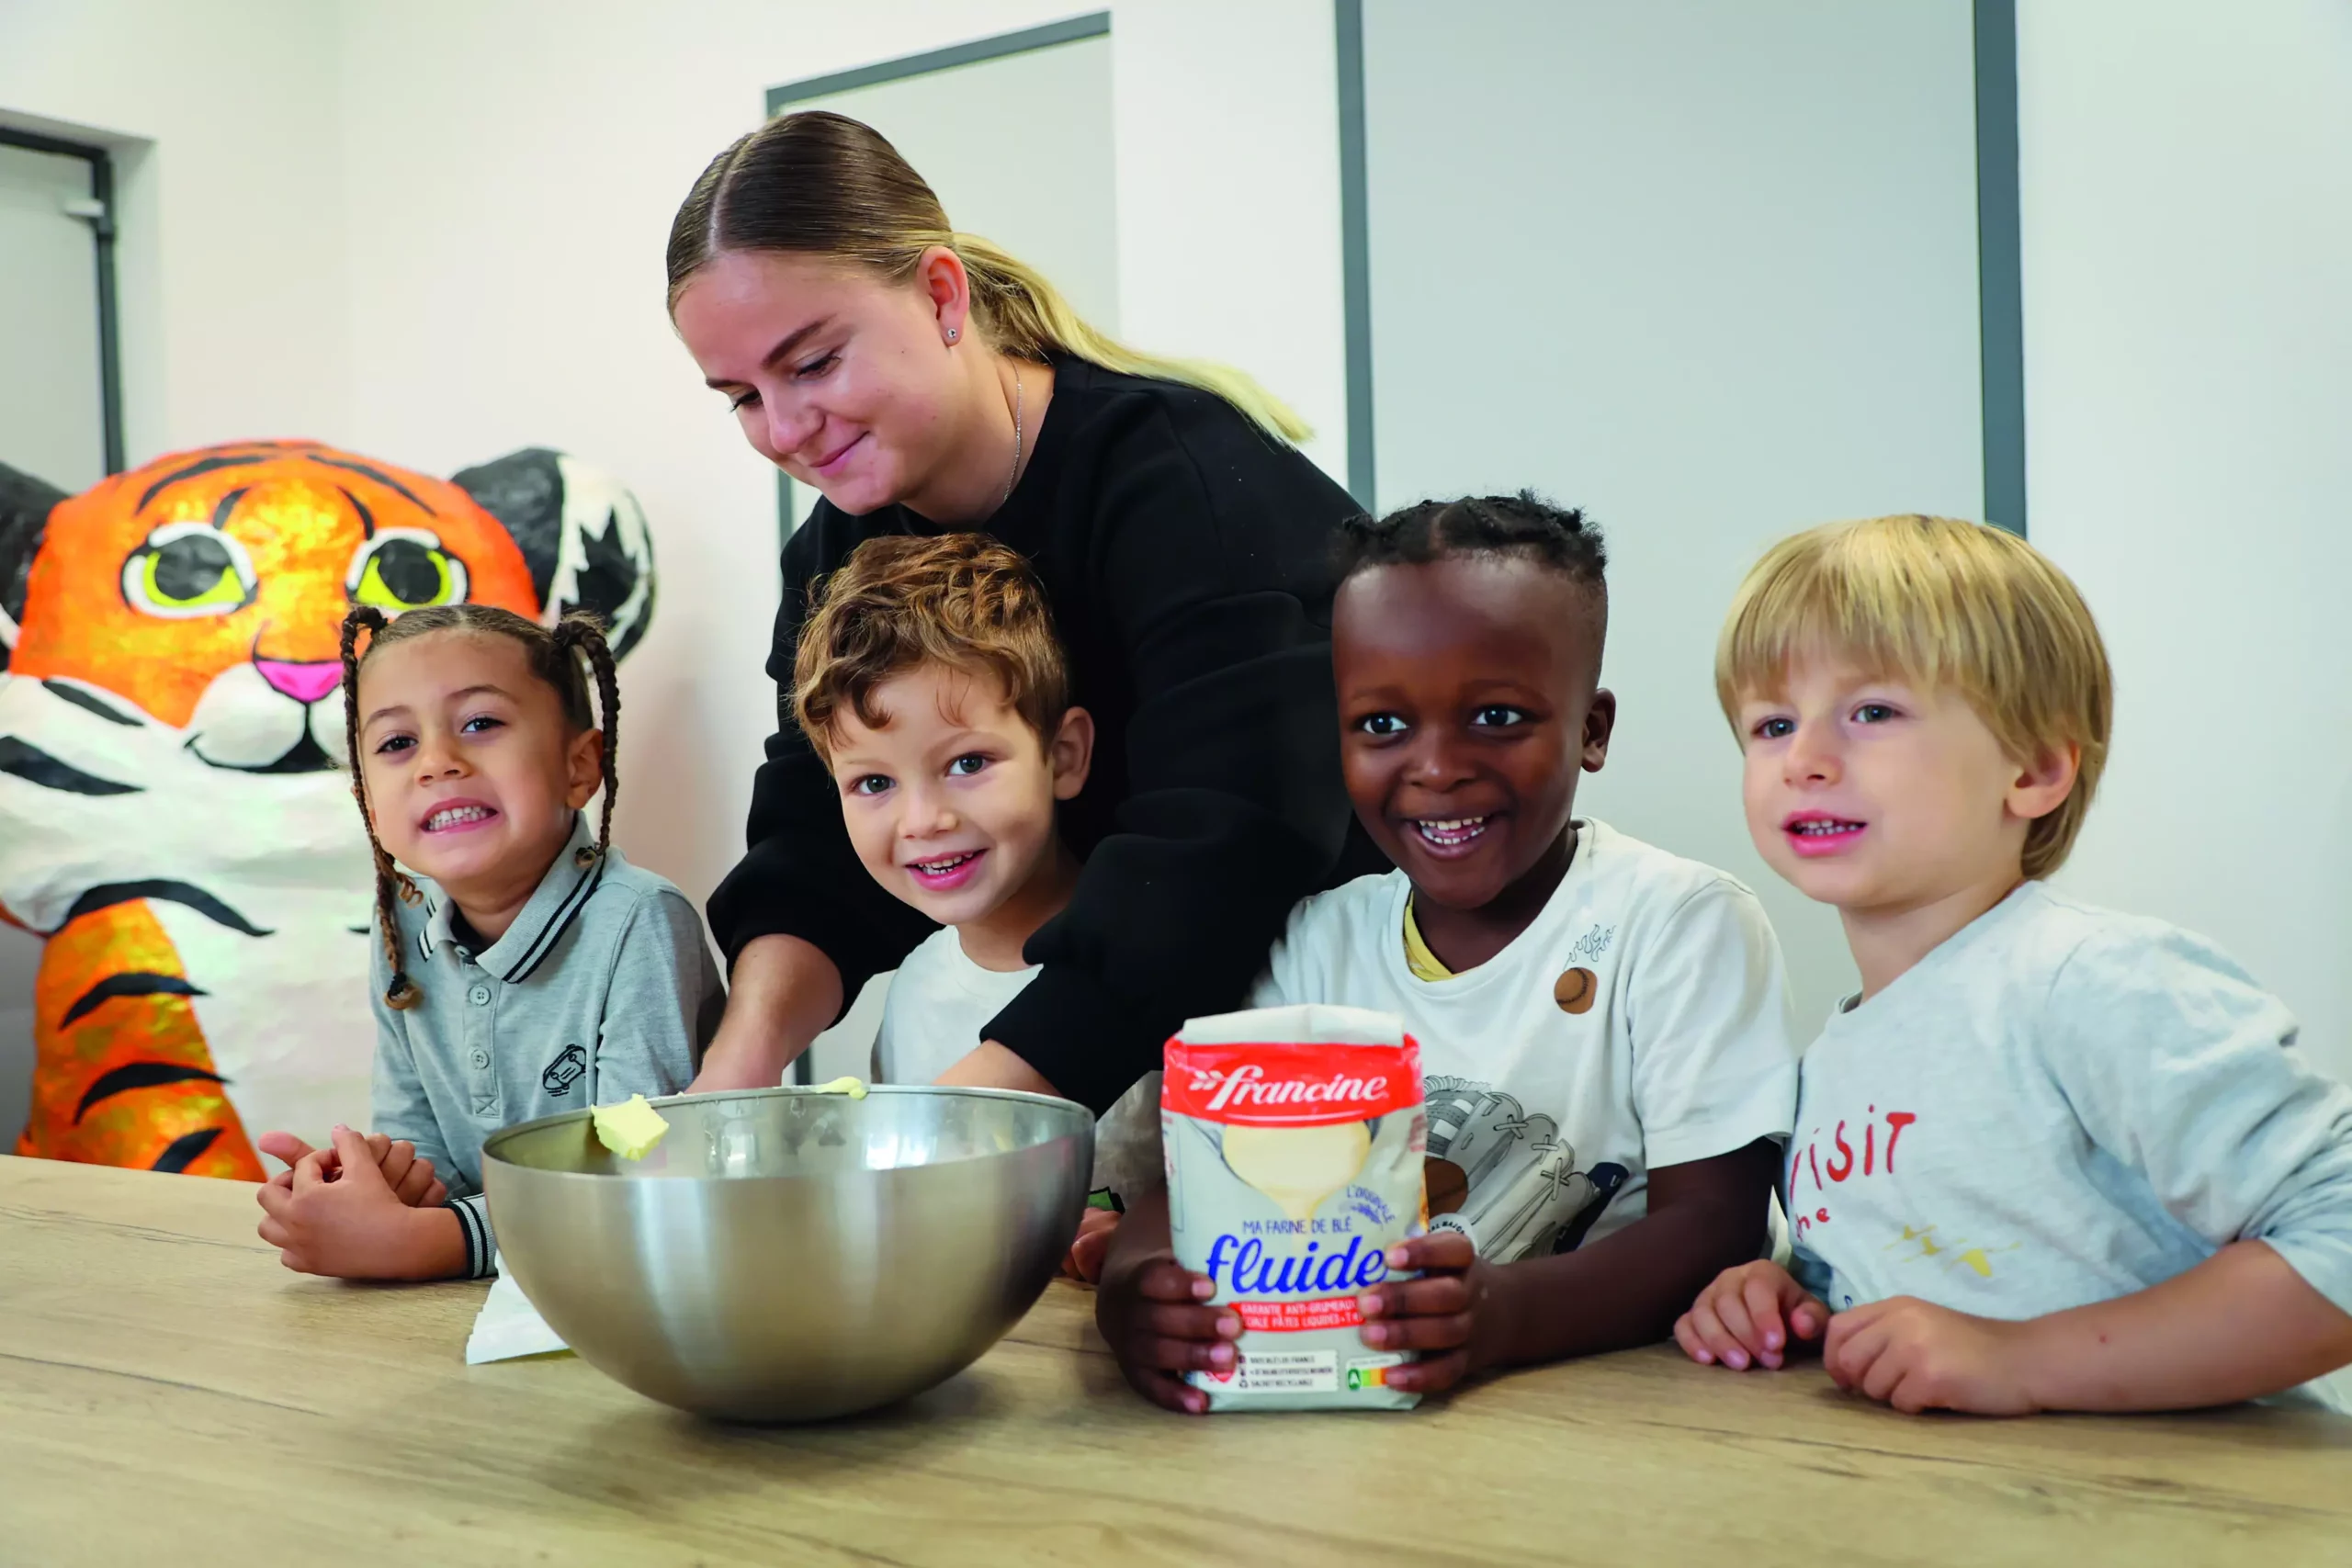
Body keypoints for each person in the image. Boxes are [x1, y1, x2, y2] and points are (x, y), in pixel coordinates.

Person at [667, 110, 1375, 1117]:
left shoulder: (1185, 486)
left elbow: (1222, 858)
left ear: (942, 295)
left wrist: (964, 1118)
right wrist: (728, 1086)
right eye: (740, 396)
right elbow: (814, 839)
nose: (783, 430)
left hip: (1309, 1042)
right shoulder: (836, 549)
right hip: (1114, 1061)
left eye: (814, 363)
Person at [1097, 494, 1800, 1411]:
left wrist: (1499, 1317)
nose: (1434, 766)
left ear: (1591, 729)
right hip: (1363, 1409)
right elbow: (1208, 1174)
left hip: (1630, 1416)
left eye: (1497, 716)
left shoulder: (1679, 921)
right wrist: (1137, 1290)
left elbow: (1714, 1225)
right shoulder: (1317, 942)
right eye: (1382, 726)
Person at [1676, 514, 2352, 1414]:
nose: (1803, 760)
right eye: (1770, 724)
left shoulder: (2091, 980)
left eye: (1870, 711)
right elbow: (1924, 1271)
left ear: (2032, 770)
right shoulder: (1834, 1056)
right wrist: (1792, 1298)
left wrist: (2022, 1360)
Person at [254, 605, 722, 1280]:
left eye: (480, 723)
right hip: (495, 1298)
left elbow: (635, 1182)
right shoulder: (401, 920)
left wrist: (422, 1241)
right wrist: (381, 1184)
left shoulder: (641, 921)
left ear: (579, 766)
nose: (438, 763)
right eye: (396, 744)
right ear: (370, 803)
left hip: (650, 1289)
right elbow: (426, 1150)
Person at [791, 532, 1159, 1275]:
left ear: (1064, 756)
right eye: (873, 783)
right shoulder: (912, 991)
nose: (922, 819)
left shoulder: (1163, 964)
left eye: (967, 763)